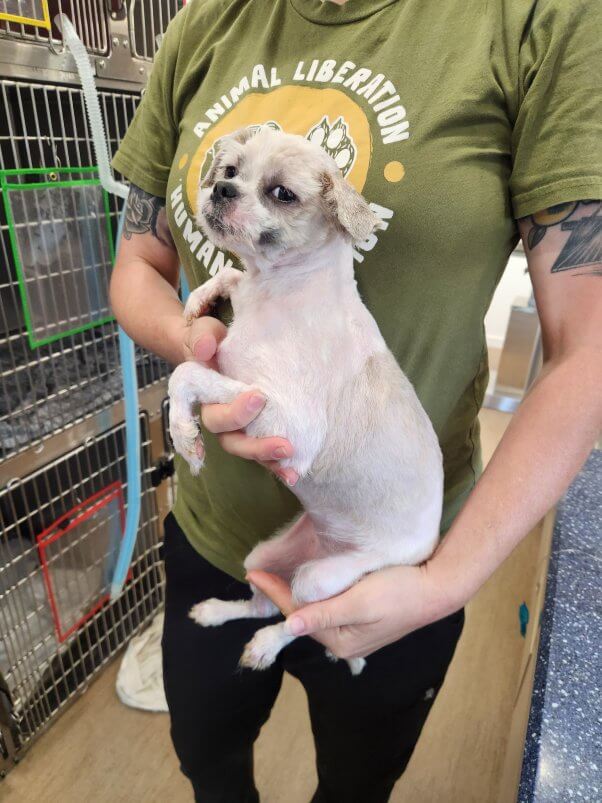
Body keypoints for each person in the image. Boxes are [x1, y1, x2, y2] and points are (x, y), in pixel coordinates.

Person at [110, 0, 602, 800]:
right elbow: (140, 259)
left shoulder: (541, 19)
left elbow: (589, 348)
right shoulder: (202, 23)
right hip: (211, 534)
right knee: (207, 759)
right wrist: (189, 341)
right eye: (225, 178)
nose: (229, 196)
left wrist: (444, 581)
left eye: (276, 194)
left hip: (402, 552)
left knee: (356, 783)